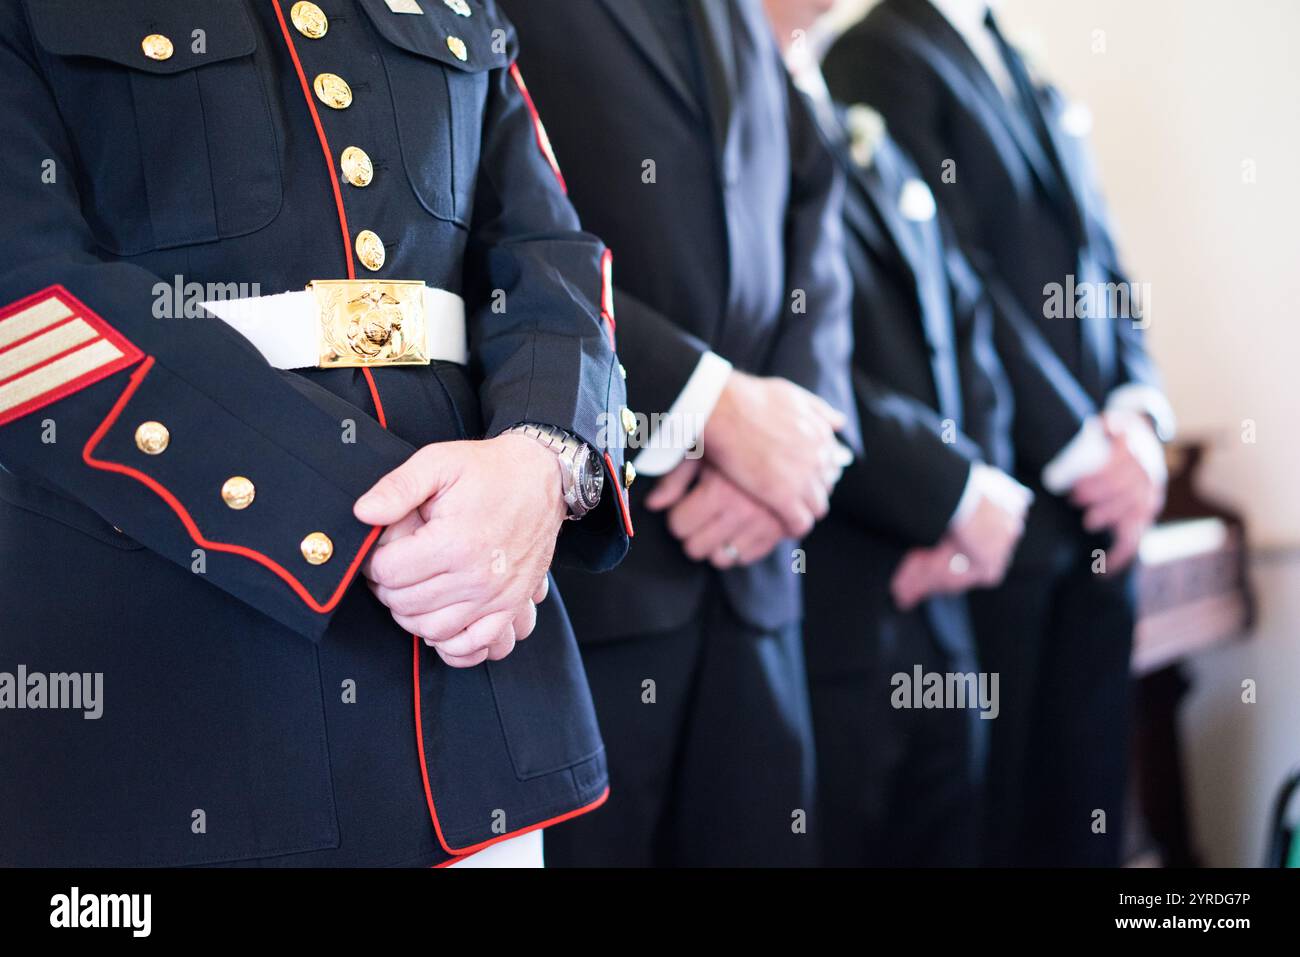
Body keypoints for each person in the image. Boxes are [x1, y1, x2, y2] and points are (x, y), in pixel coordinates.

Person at [0, 0, 632, 867]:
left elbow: (546, 245)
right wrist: (348, 508)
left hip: (470, 684)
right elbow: (28, 309)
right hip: (177, 678)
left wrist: (544, 455)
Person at [499, 0, 858, 866]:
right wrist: (708, 404)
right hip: (592, 573)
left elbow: (813, 209)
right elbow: (494, 226)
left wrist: (796, 441)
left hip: (757, 574)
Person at [824, 0, 1174, 865]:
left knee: (1090, 805)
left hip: (1106, 511)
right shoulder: (881, 50)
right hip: (1007, 506)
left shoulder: (1020, 59)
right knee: (1005, 825)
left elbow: (1104, 257)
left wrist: (1141, 417)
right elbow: (960, 280)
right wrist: (1087, 454)